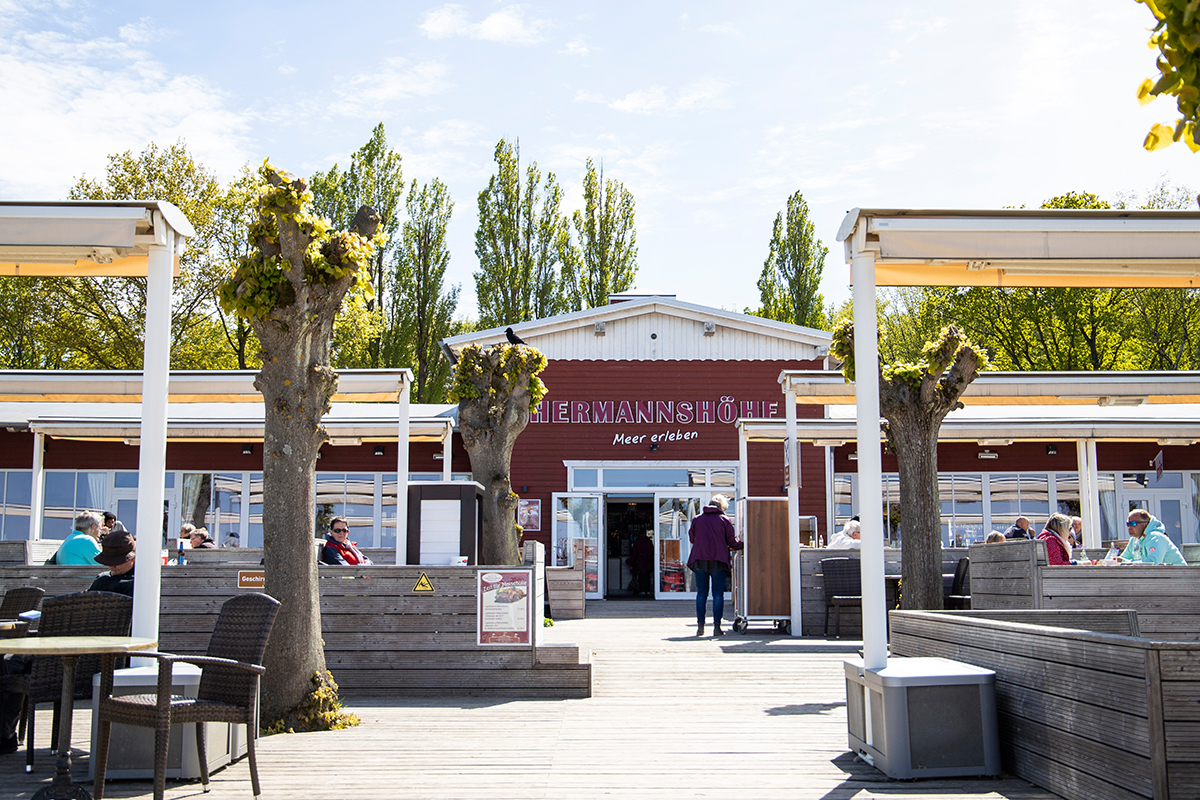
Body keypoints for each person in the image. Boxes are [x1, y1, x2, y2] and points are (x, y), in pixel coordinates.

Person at [686, 494, 742, 637]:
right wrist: (746, 544)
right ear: (722, 507)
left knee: (701, 594)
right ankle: (717, 627)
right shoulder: (724, 520)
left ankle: (700, 627)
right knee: (718, 594)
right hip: (718, 560)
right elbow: (732, 542)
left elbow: (692, 539)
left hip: (700, 560)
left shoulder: (697, 519)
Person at [1120, 508, 1188, 565]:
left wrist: (1127, 562)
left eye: (1133, 523)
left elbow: (1153, 562)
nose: (1129, 527)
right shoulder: (1134, 540)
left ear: (1145, 524)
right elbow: (1123, 559)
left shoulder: (1155, 537)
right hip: (1159, 578)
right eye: (1128, 524)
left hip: (1177, 578)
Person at [88, 528, 136, 596]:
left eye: (116, 563)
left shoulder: (141, 583)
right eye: (108, 563)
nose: (110, 567)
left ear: (132, 559)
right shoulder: (102, 580)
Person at [626, 531, 654, 595]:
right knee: (647, 576)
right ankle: (648, 590)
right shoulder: (648, 541)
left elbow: (634, 553)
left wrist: (630, 561)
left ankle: (642, 590)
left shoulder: (637, 542)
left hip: (639, 561)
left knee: (641, 576)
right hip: (647, 561)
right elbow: (652, 551)